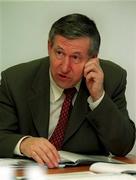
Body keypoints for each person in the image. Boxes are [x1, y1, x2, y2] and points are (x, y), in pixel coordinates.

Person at [0, 13, 135, 168]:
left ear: (93, 58)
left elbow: (122, 147)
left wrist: (98, 97)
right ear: (49, 47)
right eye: (59, 53)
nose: (64, 67)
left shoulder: (112, 78)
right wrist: (24, 143)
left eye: (76, 57)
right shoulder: (16, 80)